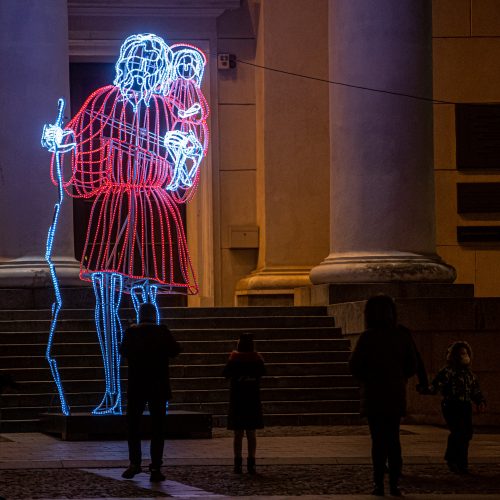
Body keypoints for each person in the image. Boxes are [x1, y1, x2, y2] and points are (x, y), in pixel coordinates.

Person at [349, 294, 418, 497]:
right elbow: (412, 365)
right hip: (395, 394)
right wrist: (398, 377)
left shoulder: (367, 337)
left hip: (373, 395)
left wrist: (368, 378)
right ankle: (394, 484)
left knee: (378, 441)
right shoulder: (401, 336)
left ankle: (378, 484)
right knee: (393, 439)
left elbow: (354, 366)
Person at [119, 302, 181, 482]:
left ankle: (134, 463)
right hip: (158, 387)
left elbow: (123, 351)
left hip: (137, 385)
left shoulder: (132, 332)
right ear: (155, 315)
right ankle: (155, 467)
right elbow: (176, 350)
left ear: (140, 315)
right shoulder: (162, 331)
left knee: (133, 427)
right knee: (158, 428)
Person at [429, 340, 487, 474]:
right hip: (451, 405)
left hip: (465, 405)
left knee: (466, 434)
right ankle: (453, 460)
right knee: (458, 432)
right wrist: (426, 389)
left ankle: (462, 463)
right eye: (461, 353)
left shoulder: (469, 374)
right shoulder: (448, 371)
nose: (464, 356)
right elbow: (436, 385)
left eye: (466, 353)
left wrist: (480, 401)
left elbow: (475, 390)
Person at [223, 333, 266, 474]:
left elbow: (225, 373)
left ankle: (237, 462)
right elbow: (263, 372)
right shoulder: (256, 360)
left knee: (238, 434)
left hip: (237, 399)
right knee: (251, 433)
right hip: (252, 399)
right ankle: (251, 462)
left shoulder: (234, 360)